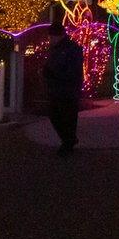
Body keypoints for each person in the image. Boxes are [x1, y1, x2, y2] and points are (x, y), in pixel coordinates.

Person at [43, 21, 83, 157]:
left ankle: (68, 142)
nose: (49, 39)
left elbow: (73, 71)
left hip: (67, 88)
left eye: (51, 36)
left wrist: (53, 73)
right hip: (58, 88)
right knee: (58, 115)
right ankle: (68, 140)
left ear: (57, 36)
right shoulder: (58, 49)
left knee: (65, 116)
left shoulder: (70, 49)